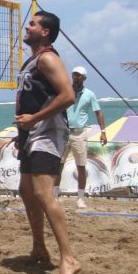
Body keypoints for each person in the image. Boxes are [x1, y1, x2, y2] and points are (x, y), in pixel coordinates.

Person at [14, 10, 80, 274]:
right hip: (32, 134)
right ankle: (39, 247)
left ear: (45, 32)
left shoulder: (48, 58)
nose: (26, 26)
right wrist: (22, 132)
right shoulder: (31, 61)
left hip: (48, 133)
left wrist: (34, 119)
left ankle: (69, 257)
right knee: (26, 191)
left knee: (43, 193)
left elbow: (68, 96)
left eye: (32, 23)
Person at [54, 66, 107, 208]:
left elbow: (98, 112)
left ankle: (80, 198)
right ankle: (54, 196)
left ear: (84, 78)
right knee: (58, 165)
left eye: (78, 75)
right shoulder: (66, 91)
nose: (75, 77)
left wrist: (103, 131)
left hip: (80, 133)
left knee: (81, 166)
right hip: (64, 132)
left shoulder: (89, 94)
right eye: (74, 75)